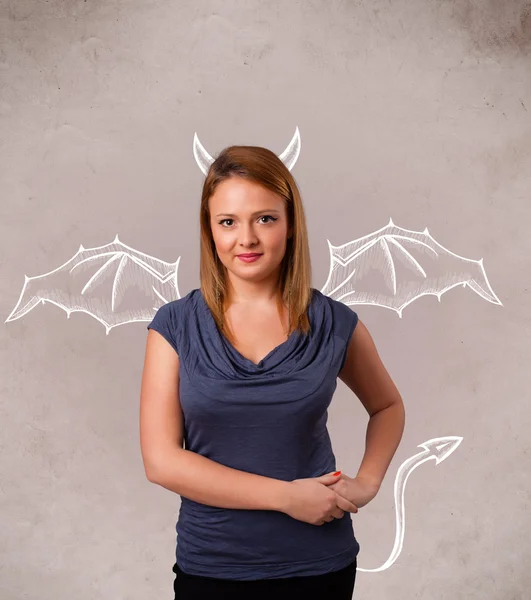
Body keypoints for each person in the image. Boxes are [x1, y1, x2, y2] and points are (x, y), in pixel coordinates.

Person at [139, 144, 405, 600]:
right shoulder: (175, 325)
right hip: (214, 567)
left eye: (264, 218)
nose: (247, 239)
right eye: (228, 222)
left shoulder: (334, 323)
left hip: (320, 566)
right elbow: (161, 462)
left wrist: (367, 483)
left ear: (290, 224)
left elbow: (387, 406)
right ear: (210, 230)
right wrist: (286, 497)